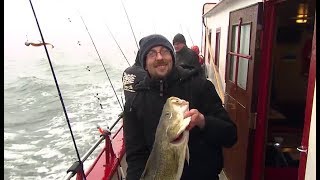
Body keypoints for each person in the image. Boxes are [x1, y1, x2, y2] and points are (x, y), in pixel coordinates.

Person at [123, 34, 237, 180]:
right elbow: (136, 157)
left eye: (164, 51)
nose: (159, 57)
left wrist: (203, 121)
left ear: (172, 56)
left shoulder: (200, 86)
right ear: (144, 63)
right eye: (152, 54)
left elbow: (231, 136)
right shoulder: (134, 103)